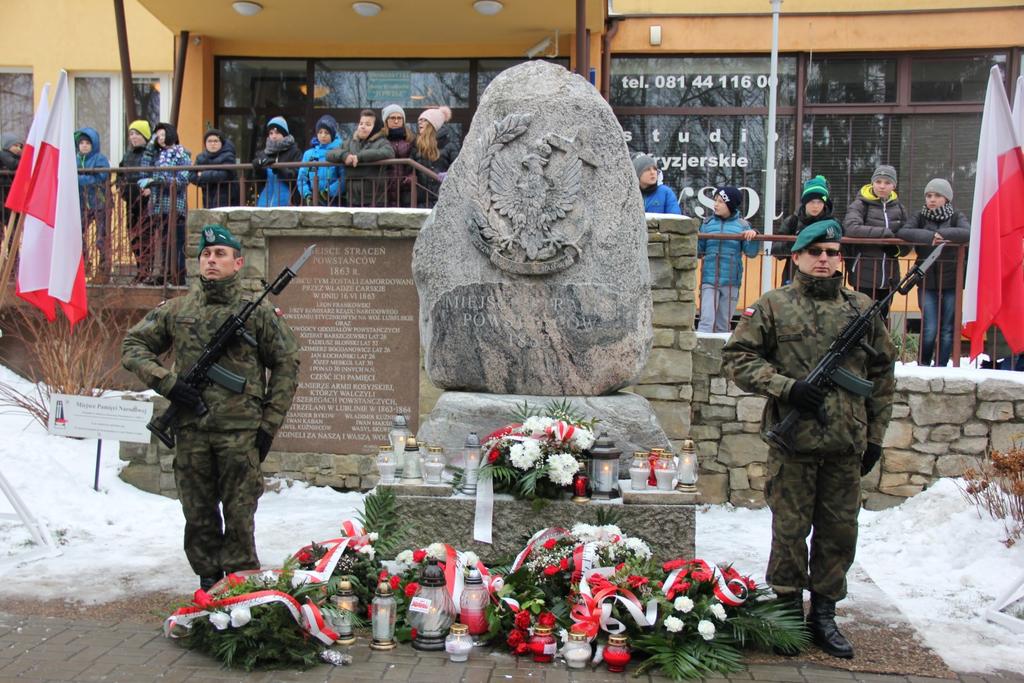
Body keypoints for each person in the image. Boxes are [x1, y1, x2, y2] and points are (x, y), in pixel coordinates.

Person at [722, 219, 896, 660]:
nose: (824, 259)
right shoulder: (773, 306)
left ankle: (823, 614)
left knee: (839, 533)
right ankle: (786, 612)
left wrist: (874, 437)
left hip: (845, 444)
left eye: (832, 252)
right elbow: (737, 359)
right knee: (790, 531)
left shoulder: (862, 310)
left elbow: (882, 376)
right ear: (796, 256)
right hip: (793, 443)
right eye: (815, 251)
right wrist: (786, 387)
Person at [121, 225, 300, 591]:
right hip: (192, 429)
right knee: (198, 513)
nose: (211, 261)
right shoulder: (177, 310)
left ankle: (239, 590)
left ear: (238, 263)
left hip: (239, 432)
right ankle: (207, 583)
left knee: (239, 513)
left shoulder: (257, 313)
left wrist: (269, 424)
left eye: (220, 254)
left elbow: (286, 363)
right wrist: (167, 383)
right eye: (206, 255)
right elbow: (133, 346)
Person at [894, 178, 970, 367]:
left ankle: (942, 367)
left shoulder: (956, 216)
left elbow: (967, 232)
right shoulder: (920, 216)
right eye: (929, 195)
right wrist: (930, 236)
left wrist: (943, 235)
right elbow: (904, 232)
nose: (932, 199)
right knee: (929, 327)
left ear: (947, 199)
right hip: (926, 281)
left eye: (937, 195)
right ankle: (923, 365)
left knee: (946, 329)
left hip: (952, 282)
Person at [842, 164, 909, 320]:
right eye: (878, 181)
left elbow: (907, 239)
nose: (882, 186)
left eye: (887, 182)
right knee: (862, 320)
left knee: (882, 319)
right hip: (864, 273)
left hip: (889, 277)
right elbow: (851, 228)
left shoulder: (899, 208)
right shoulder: (860, 204)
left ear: (893, 185)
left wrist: (898, 249)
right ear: (872, 183)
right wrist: (884, 234)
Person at [697, 186, 759, 333]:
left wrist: (754, 235)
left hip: (731, 281)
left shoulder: (743, 225)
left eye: (720, 201)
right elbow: (699, 251)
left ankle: (721, 354)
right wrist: (695, 236)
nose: (715, 204)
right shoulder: (707, 224)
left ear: (730, 205)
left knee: (723, 323)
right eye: (715, 200)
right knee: (706, 320)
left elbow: (751, 252)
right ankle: (700, 351)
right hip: (709, 279)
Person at [138, 122, 191, 285]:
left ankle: (178, 274)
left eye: (162, 135)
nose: (160, 139)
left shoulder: (181, 153)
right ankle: (164, 274)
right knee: (162, 241)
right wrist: (149, 147)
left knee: (176, 240)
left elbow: (183, 178)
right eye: (157, 136)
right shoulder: (156, 154)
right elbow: (144, 169)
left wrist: (159, 180)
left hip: (175, 204)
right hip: (157, 204)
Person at [773, 175, 833, 284]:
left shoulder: (832, 224)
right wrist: (795, 244)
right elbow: (776, 251)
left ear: (824, 203)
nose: (815, 206)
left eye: (819, 202)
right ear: (805, 203)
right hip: (795, 278)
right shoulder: (792, 221)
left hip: (823, 279)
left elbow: (842, 250)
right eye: (811, 202)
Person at [329, 109, 393, 207]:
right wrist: (344, 156)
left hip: (375, 199)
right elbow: (330, 154)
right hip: (351, 198)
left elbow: (388, 153)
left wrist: (360, 157)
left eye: (368, 124)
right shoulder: (350, 142)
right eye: (361, 123)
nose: (363, 126)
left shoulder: (382, 142)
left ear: (375, 128)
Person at [118, 120, 153, 283]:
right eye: (131, 134)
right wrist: (121, 189)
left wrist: (150, 188)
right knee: (133, 237)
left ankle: (147, 270)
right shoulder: (128, 155)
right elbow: (120, 175)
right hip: (130, 201)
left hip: (146, 202)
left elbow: (155, 174)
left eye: (137, 133)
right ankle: (140, 269)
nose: (134, 137)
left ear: (145, 135)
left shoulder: (151, 154)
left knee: (146, 236)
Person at [74, 127, 111, 282]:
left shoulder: (99, 159)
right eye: (81, 142)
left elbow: (101, 176)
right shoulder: (74, 159)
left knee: (101, 237)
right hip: (81, 204)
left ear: (93, 144)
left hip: (99, 202)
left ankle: (104, 269)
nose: (84, 145)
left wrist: (79, 178)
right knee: (76, 234)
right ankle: (84, 263)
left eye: (87, 143)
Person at [411, 108, 459, 208]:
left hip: (443, 200)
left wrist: (448, 175)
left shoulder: (449, 145)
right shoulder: (416, 145)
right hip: (421, 201)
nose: (420, 123)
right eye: (419, 120)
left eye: (424, 120)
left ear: (433, 124)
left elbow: (459, 169)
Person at [252, 116, 302, 207]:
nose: (273, 136)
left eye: (277, 133)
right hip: (264, 201)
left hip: (286, 202)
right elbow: (259, 181)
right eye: (271, 133)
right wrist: (258, 169)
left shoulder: (295, 152)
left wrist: (279, 169)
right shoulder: (264, 153)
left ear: (284, 134)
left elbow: (296, 176)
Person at [375, 104, 417, 207]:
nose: (396, 121)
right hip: (384, 190)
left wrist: (412, 176)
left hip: (406, 191)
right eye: (392, 118)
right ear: (386, 121)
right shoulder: (378, 139)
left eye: (399, 118)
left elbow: (417, 161)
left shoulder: (412, 139)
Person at [298, 115, 344, 206]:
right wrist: (307, 195)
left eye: (326, 133)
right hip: (312, 202)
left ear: (333, 134)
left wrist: (327, 193)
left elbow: (343, 178)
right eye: (320, 132)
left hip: (334, 201)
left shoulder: (340, 151)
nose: (323, 135)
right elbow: (302, 179)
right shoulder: (309, 154)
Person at [190, 128, 241, 209]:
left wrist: (202, 175)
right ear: (205, 143)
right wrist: (205, 181)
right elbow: (191, 176)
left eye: (216, 141)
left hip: (227, 198)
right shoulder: (201, 157)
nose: (212, 144)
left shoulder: (228, 156)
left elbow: (224, 175)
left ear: (221, 143)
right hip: (208, 198)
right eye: (209, 141)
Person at [0, 134, 23, 224]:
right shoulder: (3, 155)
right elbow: (13, 164)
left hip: (8, 192)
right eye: (15, 146)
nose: (19, 149)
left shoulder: (14, 157)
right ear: (7, 145)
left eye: (20, 146)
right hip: (4, 191)